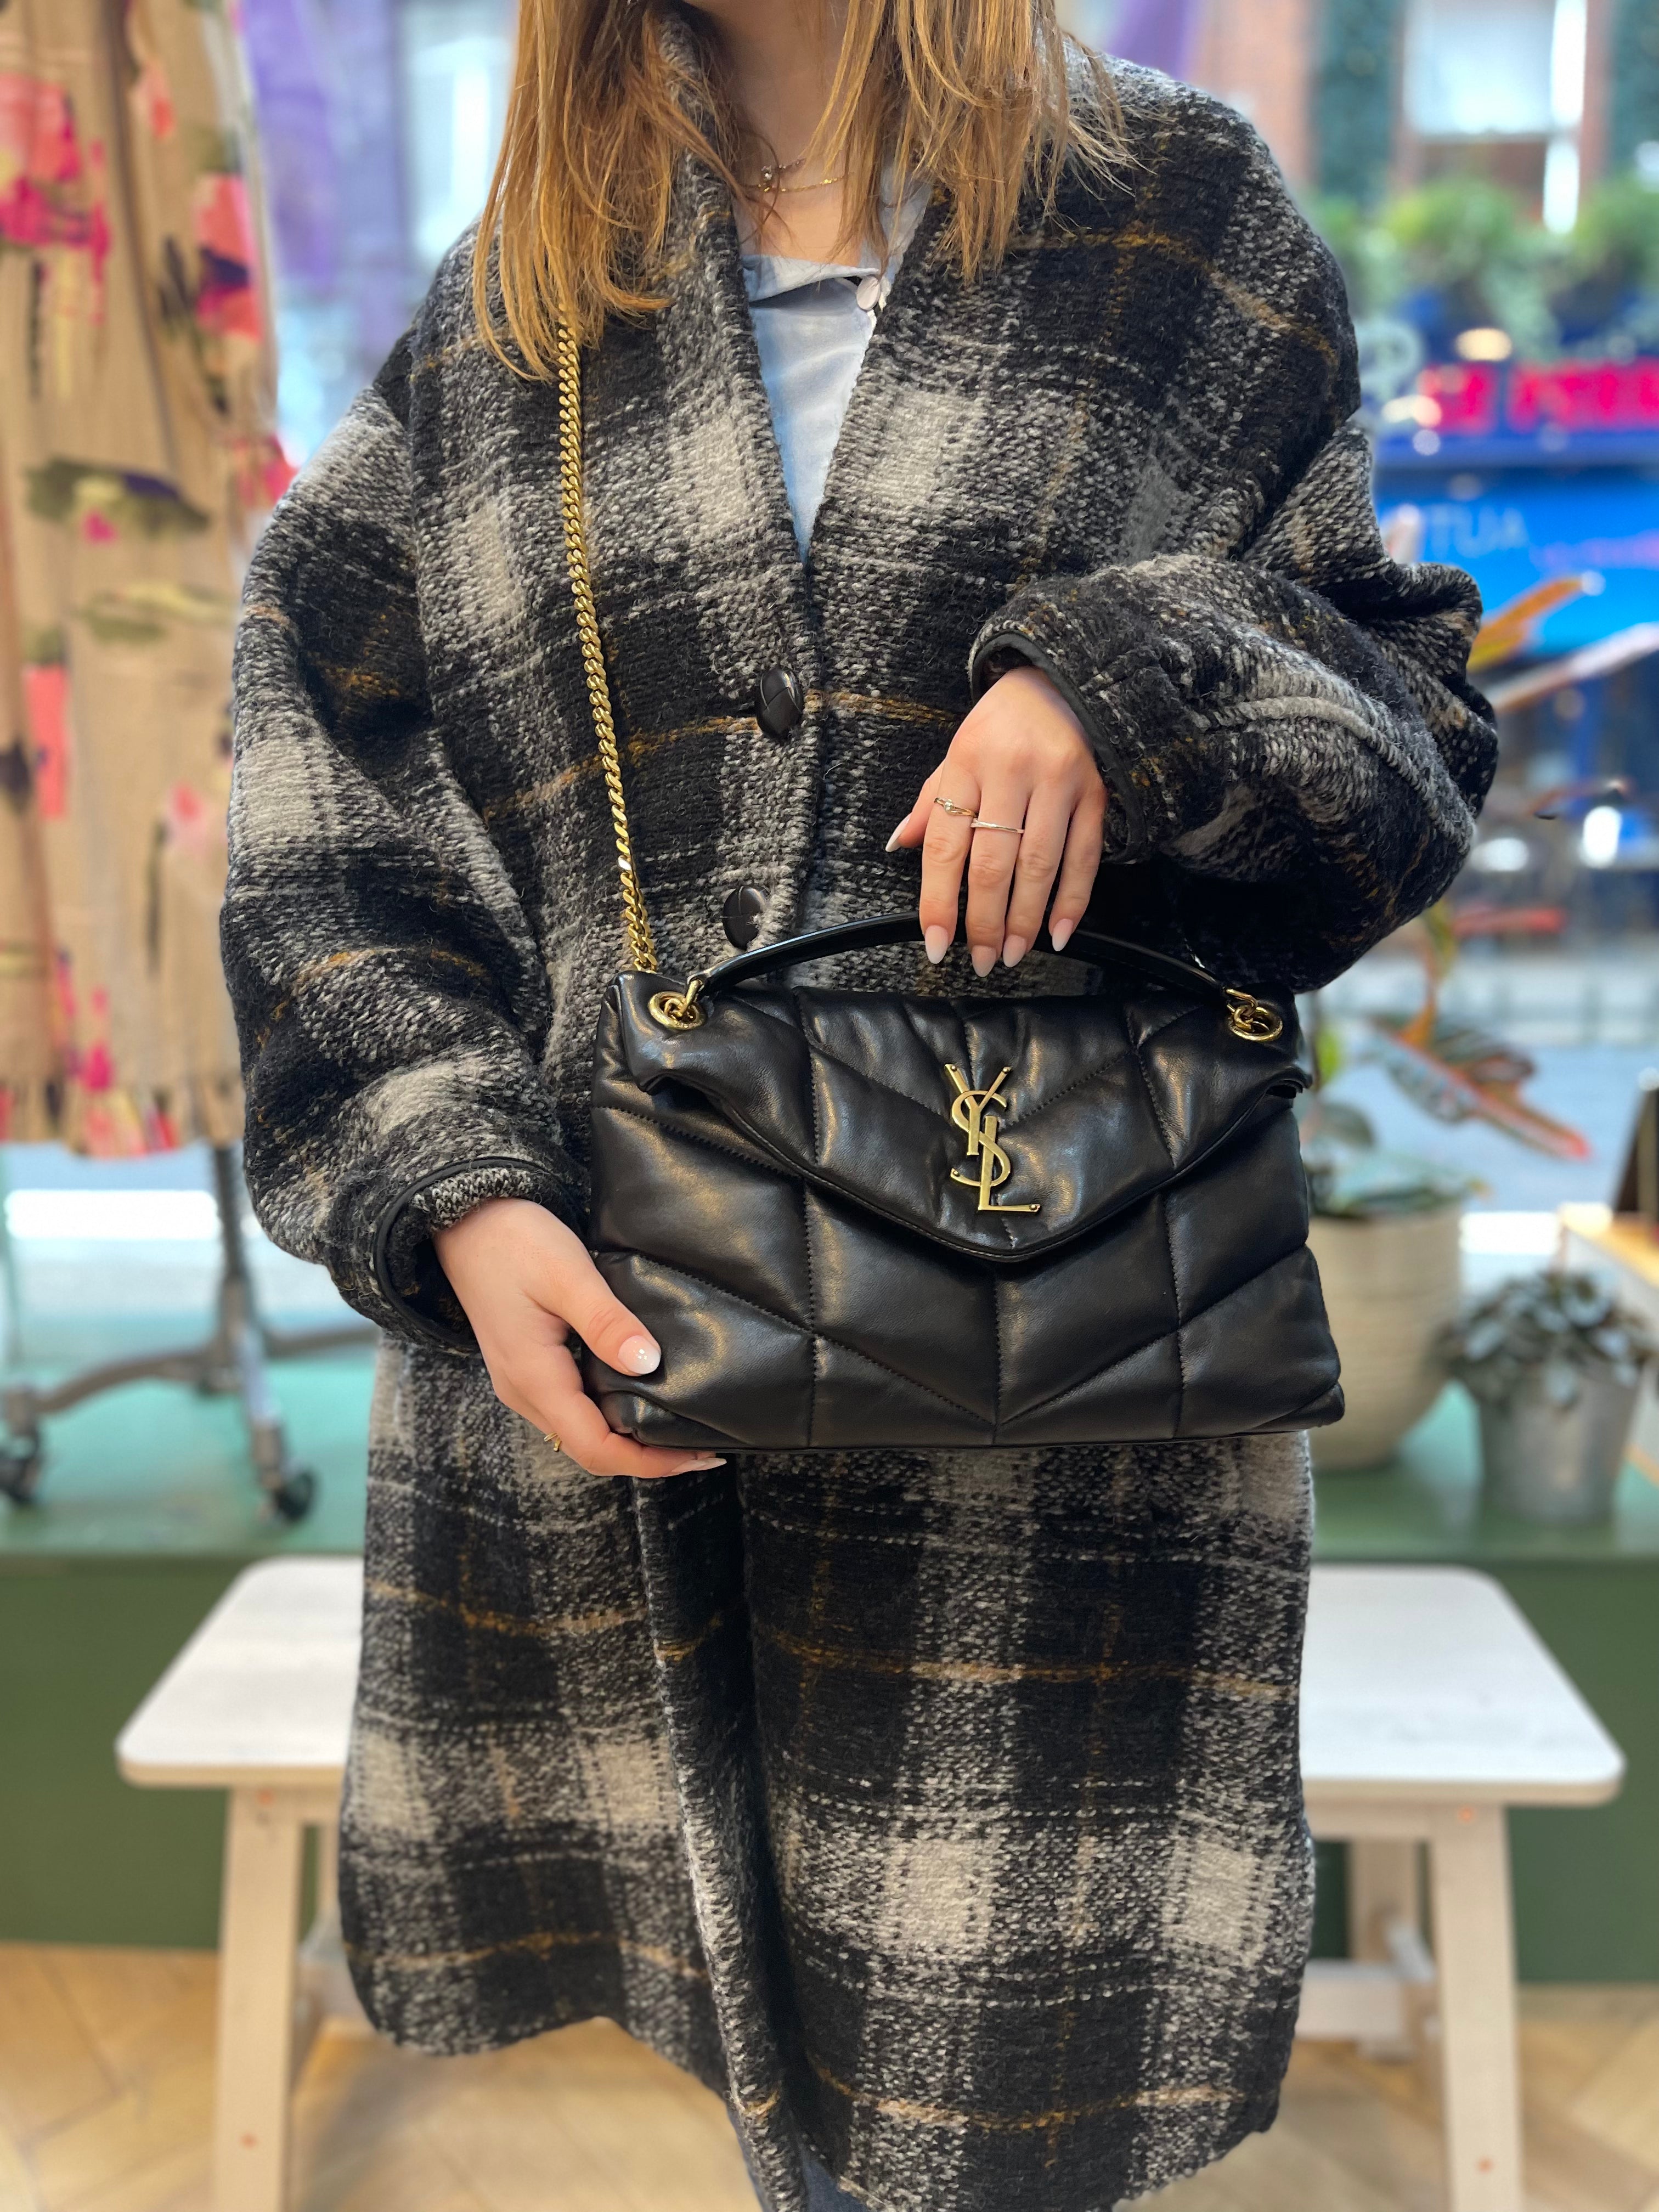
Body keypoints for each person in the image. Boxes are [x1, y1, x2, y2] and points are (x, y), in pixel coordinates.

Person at [222, 3, 1495, 2208]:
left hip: (1059, 1376)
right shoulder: (523, 295)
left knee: (993, 2101)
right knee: (720, 2046)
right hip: (611, 1326)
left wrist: (1130, 676)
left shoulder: (1174, 222)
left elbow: (1406, 729)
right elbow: (321, 781)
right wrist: (450, 1183)